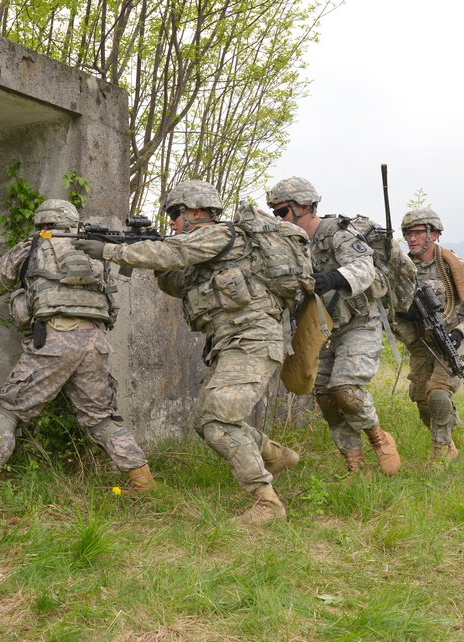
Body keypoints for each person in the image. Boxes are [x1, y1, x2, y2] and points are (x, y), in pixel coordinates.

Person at [74, 180, 304, 526]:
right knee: (204, 420)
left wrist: (110, 250)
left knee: (218, 422)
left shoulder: (219, 235)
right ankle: (275, 455)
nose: (172, 223)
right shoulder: (206, 255)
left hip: (253, 340)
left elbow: (173, 252)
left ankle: (267, 504)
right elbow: (174, 280)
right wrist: (143, 248)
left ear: (197, 212)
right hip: (234, 344)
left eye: (175, 214)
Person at [0, 199, 156, 504]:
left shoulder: (32, 246)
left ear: (41, 223)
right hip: (95, 342)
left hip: (53, 340)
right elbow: (112, 302)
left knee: (8, 414)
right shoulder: (96, 250)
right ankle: (144, 482)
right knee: (102, 419)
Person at [266, 177, 401, 477]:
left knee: (346, 389)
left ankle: (377, 437)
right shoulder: (291, 244)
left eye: (282, 213)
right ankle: (354, 464)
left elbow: (363, 267)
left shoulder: (336, 233)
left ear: (303, 207)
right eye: (275, 214)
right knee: (326, 397)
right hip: (321, 329)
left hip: (359, 323)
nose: (280, 220)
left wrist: (333, 278)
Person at [394, 208, 464, 462]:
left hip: (452, 340)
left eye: (417, 233)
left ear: (434, 234)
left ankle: (441, 454)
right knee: (422, 399)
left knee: (438, 392)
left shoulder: (456, 266)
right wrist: (406, 316)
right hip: (420, 344)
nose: (412, 239)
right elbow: (390, 307)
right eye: (408, 234)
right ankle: (448, 435)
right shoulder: (404, 270)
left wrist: (460, 333)